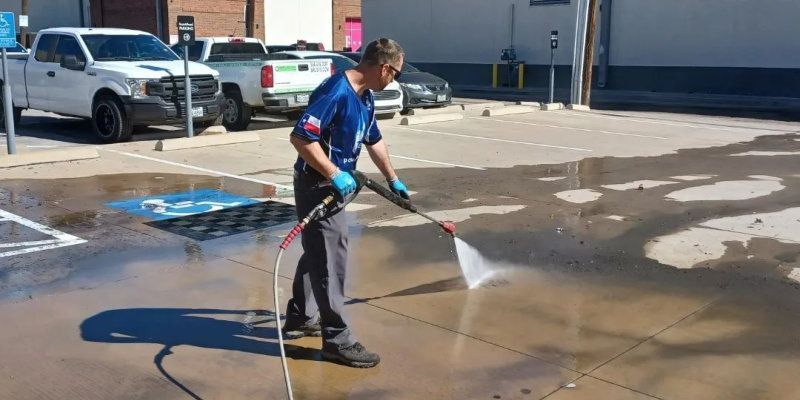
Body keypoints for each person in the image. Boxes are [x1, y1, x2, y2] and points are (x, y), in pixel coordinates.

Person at [282, 38, 409, 368]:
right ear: (383, 67)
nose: (393, 79)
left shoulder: (364, 97)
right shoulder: (337, 91)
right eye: (395, 73)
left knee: (317, 250)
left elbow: (374, 140)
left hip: (333, 186)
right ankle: (337, 339)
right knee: (330, 256)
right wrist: (335, 172)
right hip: (318, 184)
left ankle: (300, 319)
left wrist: (393, 179)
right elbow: (301, 137)